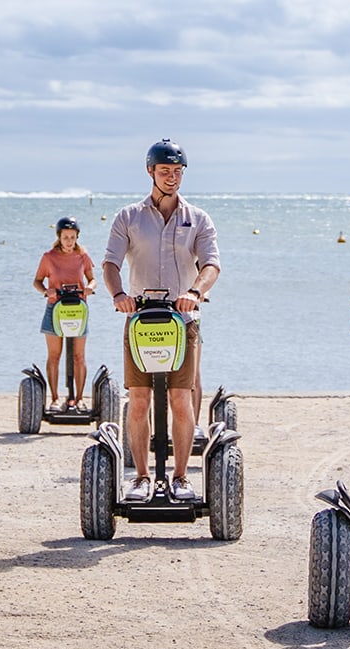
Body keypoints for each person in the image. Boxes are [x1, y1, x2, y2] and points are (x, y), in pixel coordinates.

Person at [102, 139, 221, 502]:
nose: (172, 178)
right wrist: (119, 295)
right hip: (140, 320)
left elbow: (212, 264)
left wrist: (195, 292)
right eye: (165, 171)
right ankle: (139, 477)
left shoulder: (197, 218)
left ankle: (182, 477)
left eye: (177, 171)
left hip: (182, 320)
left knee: (180, 400)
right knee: (138, 400)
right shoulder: (128, 217)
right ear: (150, 171)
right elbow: (110, 263)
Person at [32, 216, 97, 411]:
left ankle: (79, 399)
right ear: (59, 237)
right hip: (55, 308)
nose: (69, 241)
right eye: (65, 237)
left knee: (79, 356)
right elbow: (37, 281)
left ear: (77, 237)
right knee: (54, 355)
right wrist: (46, 291)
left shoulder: (83, 256)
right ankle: (54, 398)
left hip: (77, 309)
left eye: (72, 237)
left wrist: (89, 288)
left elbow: (92, 279)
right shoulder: (48, 257)